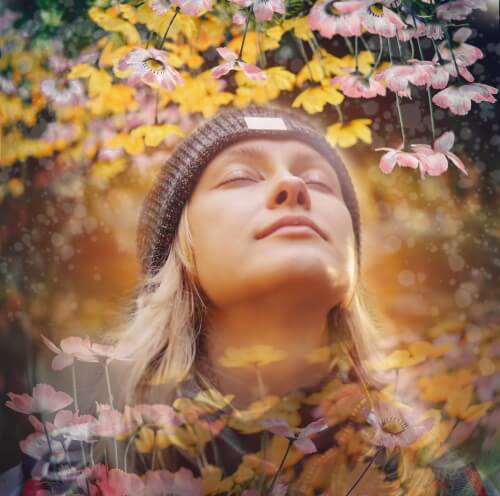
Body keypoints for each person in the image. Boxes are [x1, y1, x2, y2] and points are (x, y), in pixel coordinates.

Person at [2, 104, 498, 495]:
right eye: (240, 177)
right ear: (180, 251)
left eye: (321, 182)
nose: (294, 186)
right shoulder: (63, 474)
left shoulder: (446, 485)